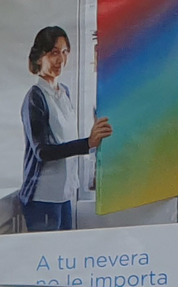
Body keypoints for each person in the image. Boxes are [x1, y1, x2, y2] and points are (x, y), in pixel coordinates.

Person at [20, 26, 112, 232]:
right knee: (49, 257)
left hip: (64, 193)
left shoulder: (64, 93)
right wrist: (87, 144)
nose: (60, 60)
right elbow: (42, 151)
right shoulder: (35, 98)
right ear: (38, 58)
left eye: (64, 52)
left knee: (64, 255)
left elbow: (64, 138)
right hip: (42, 197)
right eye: (54, 53)